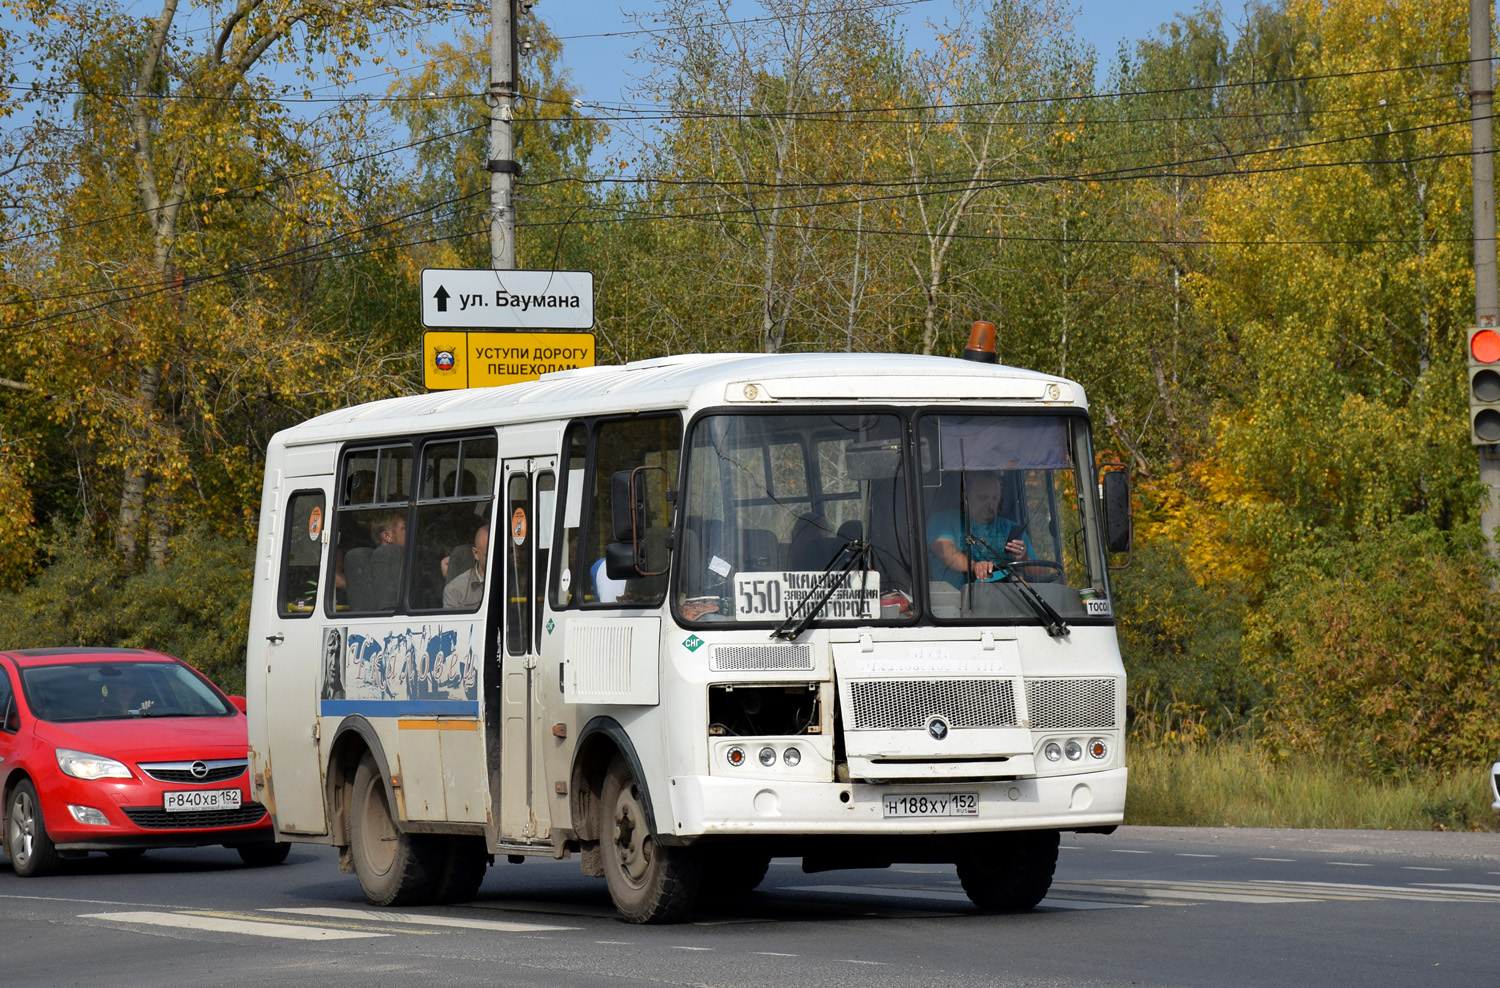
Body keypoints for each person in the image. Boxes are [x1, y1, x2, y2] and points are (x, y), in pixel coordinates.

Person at [928, 472, 1031, 587]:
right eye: (983, 498)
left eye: (995, 498)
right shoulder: (943, 521)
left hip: (1010, 600)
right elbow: (945, 551)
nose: (990, 504)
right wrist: (974, 566)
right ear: (965, 496)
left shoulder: (1011, 529)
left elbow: (1043, 574)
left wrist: (1024, 557)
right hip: (956, 601)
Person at [444, 523, 488, 609]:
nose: (496, 559)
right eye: (489, 555)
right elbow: (451, 622)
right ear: (476, 554)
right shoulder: (455, 590)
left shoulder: (514, 581)